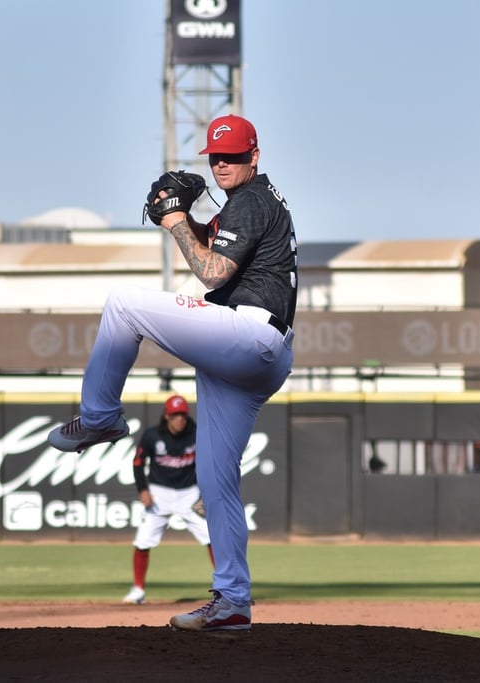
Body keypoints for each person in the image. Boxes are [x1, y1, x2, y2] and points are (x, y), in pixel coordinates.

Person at [47, 114, 296, 632]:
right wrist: (192, 220)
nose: (222, 164)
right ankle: (232, 601)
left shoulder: (251, 201)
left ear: (255, 156)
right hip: (254, 353)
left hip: (248, 336)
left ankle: (100, 418)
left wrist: (175, 221)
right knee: (216, 480)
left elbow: (211, 272)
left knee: (122, 303)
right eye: (215, 156)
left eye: (232, 155)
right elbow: (218, 254)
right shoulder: (252, 203)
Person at [123, 395, 215, 605]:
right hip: (159, 493)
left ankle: (226, 587)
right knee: (142, 541)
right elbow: (138, 462)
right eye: (175, 415)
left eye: (182, 414)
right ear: (166, 416)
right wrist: (143, 490)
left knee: (212, 538)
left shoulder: (197, 434)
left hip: (189, 494)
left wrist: (206, 492)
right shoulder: (152, 436)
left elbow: (210, 462)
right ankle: (138, 590)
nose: (179, 419)